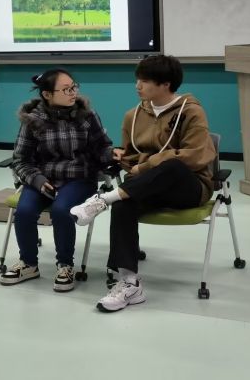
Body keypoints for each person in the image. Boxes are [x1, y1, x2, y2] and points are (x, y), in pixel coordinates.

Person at [70, 55, 216, 312]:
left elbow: (194, 156)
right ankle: (129, 282)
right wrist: (131, 161)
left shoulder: (191, 111)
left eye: (145, 81)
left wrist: (147, 165)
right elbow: (130, 159)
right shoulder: (133, 115)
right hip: (146, 186)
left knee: (173, 165)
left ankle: (103, 199)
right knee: (123, 205)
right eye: (137, 79)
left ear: (165, 84)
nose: (138, 85)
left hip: (189, 187)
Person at [0, 68, 115, 292]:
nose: (73, 93)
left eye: (74, 87)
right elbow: (21, 159)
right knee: (24, 212)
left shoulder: (87, 115)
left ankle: (65, 265)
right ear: (47, 94)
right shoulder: (32, 120)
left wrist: (111, 154)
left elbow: (101, 147)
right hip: (43, 179)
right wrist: (37, 180)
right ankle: (29, 264)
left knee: (62, 211)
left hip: (78, 178)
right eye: (66, 89)